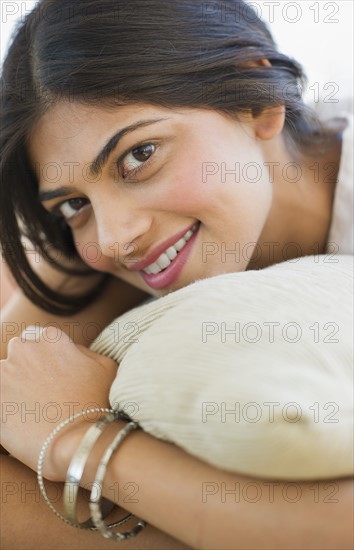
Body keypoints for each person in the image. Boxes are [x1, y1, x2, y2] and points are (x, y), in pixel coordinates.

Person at [1, 0, 353, 548]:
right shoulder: (112, 250)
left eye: (139, 155)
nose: (115, 237)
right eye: (72, 205)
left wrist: (84, 443)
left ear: (257, 99)